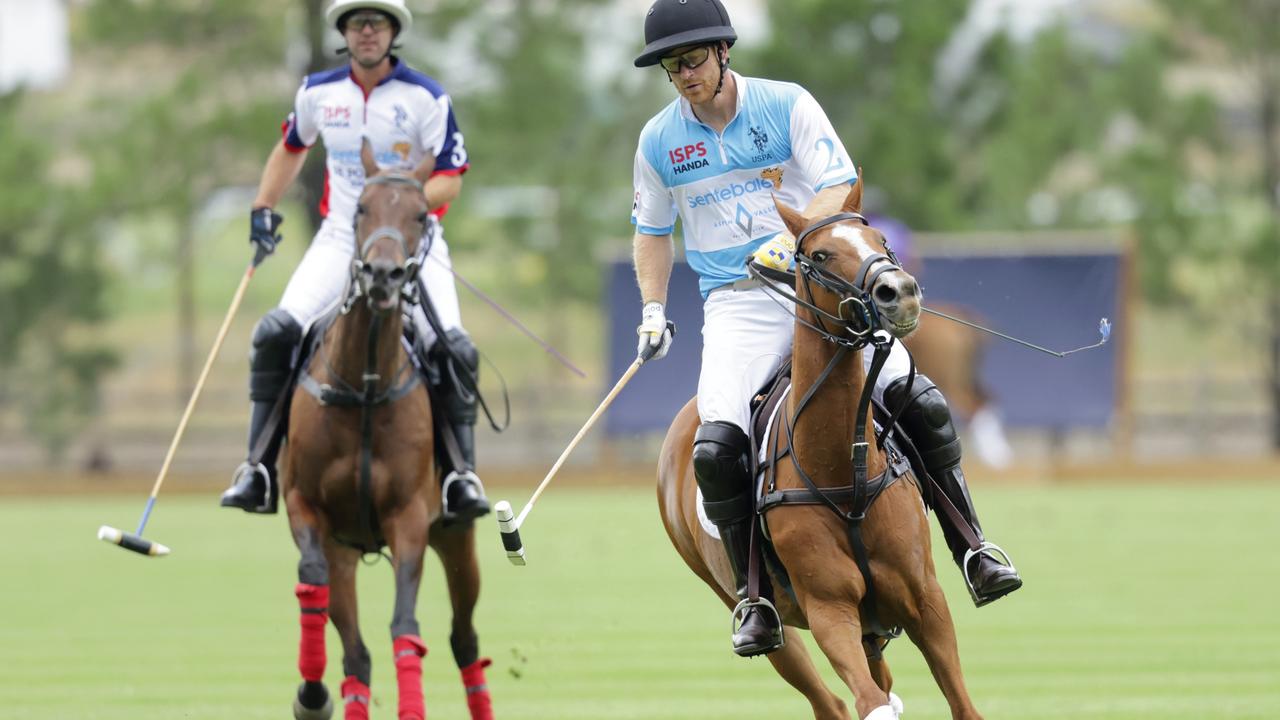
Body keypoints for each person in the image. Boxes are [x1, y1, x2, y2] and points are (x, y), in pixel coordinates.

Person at [629, 0, 1022, 657]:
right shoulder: (659, 141)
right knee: (716, 446)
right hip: (735, 305)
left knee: (915, 396)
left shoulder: (786, 105)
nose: (685, 75)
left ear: (724, 52)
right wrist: (651, 307)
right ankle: (754, 598)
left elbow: (840, 184)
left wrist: (791, 245)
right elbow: (650, 233)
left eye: (693, 60)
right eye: (672, 68)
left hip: (817, 289)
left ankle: (973, 546)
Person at [220, 0, 489, 521]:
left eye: (377, 23)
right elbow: (292, 147)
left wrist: (400, 202)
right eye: (357, 23)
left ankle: (460, 475)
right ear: (344, 32)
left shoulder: (427, 97)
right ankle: (257, 469)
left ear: (393, 32)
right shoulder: (318, 92)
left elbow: (451, 176)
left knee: (454, 348)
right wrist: (263, 206)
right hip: (341, 238)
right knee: (276, 332)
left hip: (415, 242)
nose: (367, 32)